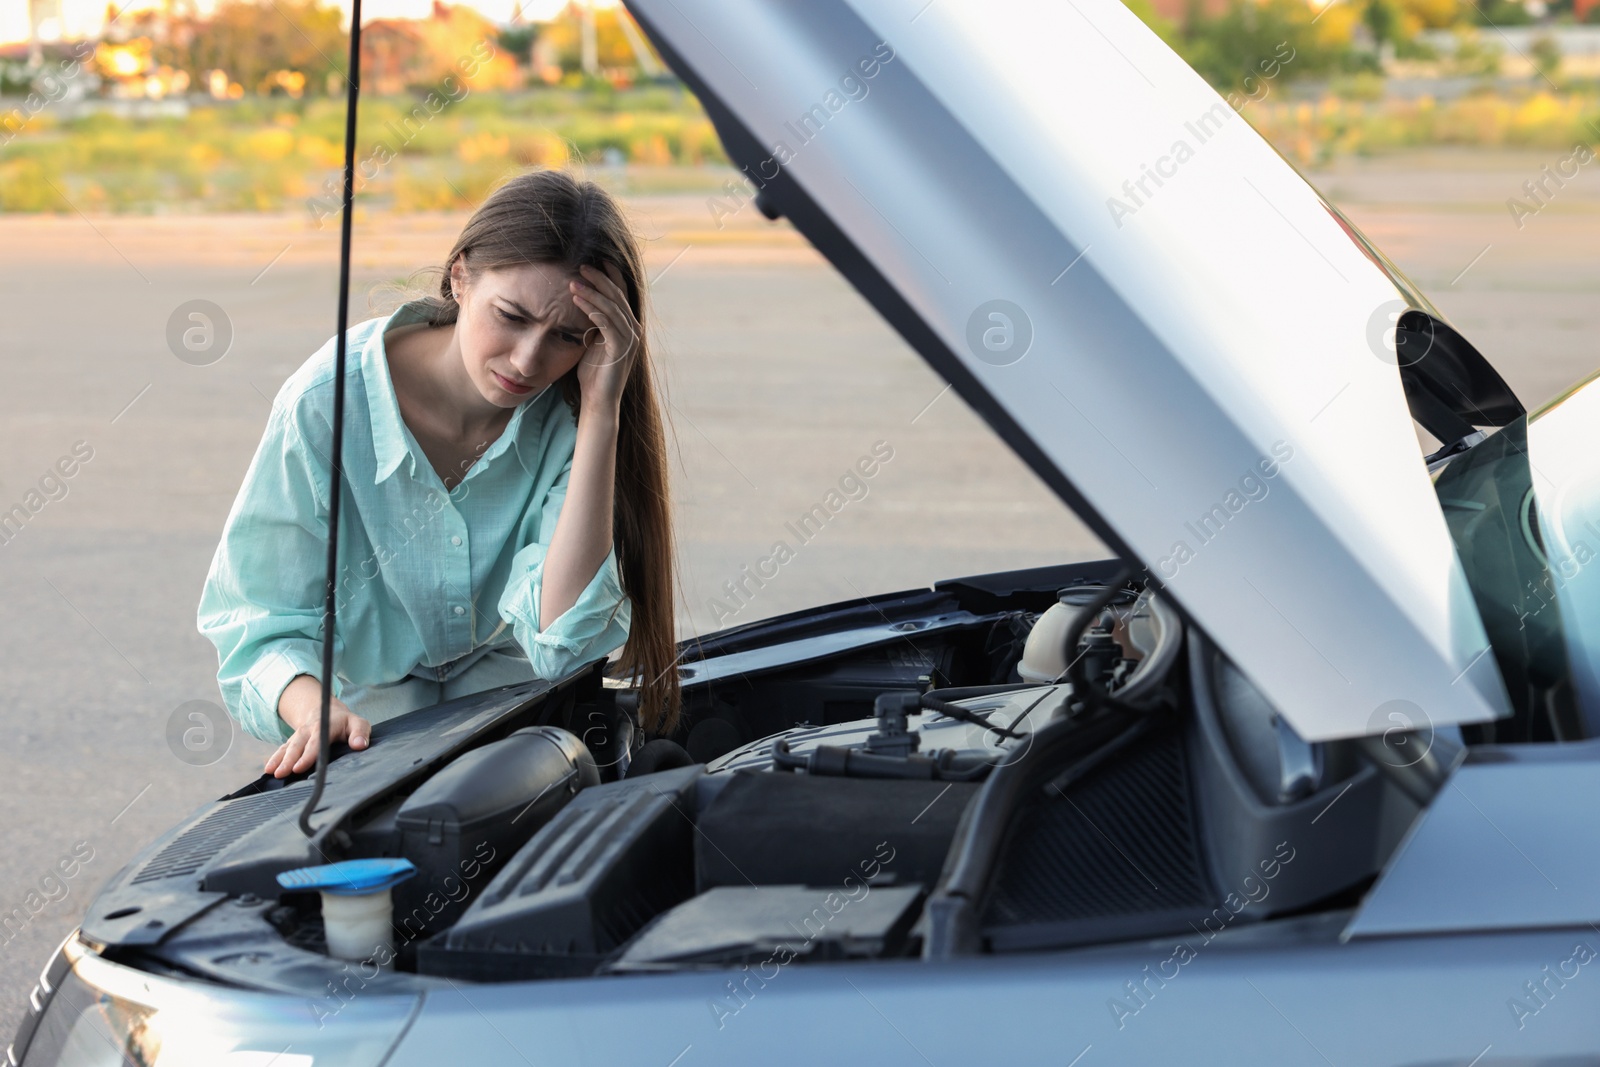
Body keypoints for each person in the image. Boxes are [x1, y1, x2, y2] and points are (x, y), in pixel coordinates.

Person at [197, 168, 679, 779]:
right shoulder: (326, 403)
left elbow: (561, 638)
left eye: (567, 336)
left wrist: (603, 410)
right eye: (511, 316)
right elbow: (257, 623)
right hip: (370, 735)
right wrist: (314, 710)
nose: (529, 360)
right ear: (460, 277)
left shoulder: (575, 410)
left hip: (526, 721)